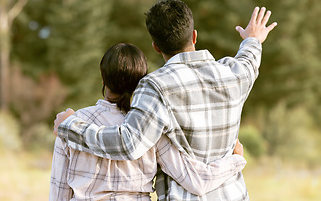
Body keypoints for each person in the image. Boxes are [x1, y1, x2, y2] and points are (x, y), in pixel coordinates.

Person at [54, 0, 277, 200]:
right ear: (194, 36)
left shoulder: (155, 86)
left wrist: (70, 126)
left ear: (156, 46)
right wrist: (254, 39)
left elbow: (128, 144)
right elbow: (249, 59)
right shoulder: (233, 74)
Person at [50, 43, 247, 200]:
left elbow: (59, 193)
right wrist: (235, 160)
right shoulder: (151, 129)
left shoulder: (70, 125)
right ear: (141, 81)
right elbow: (196, 180)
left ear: (103, 80)